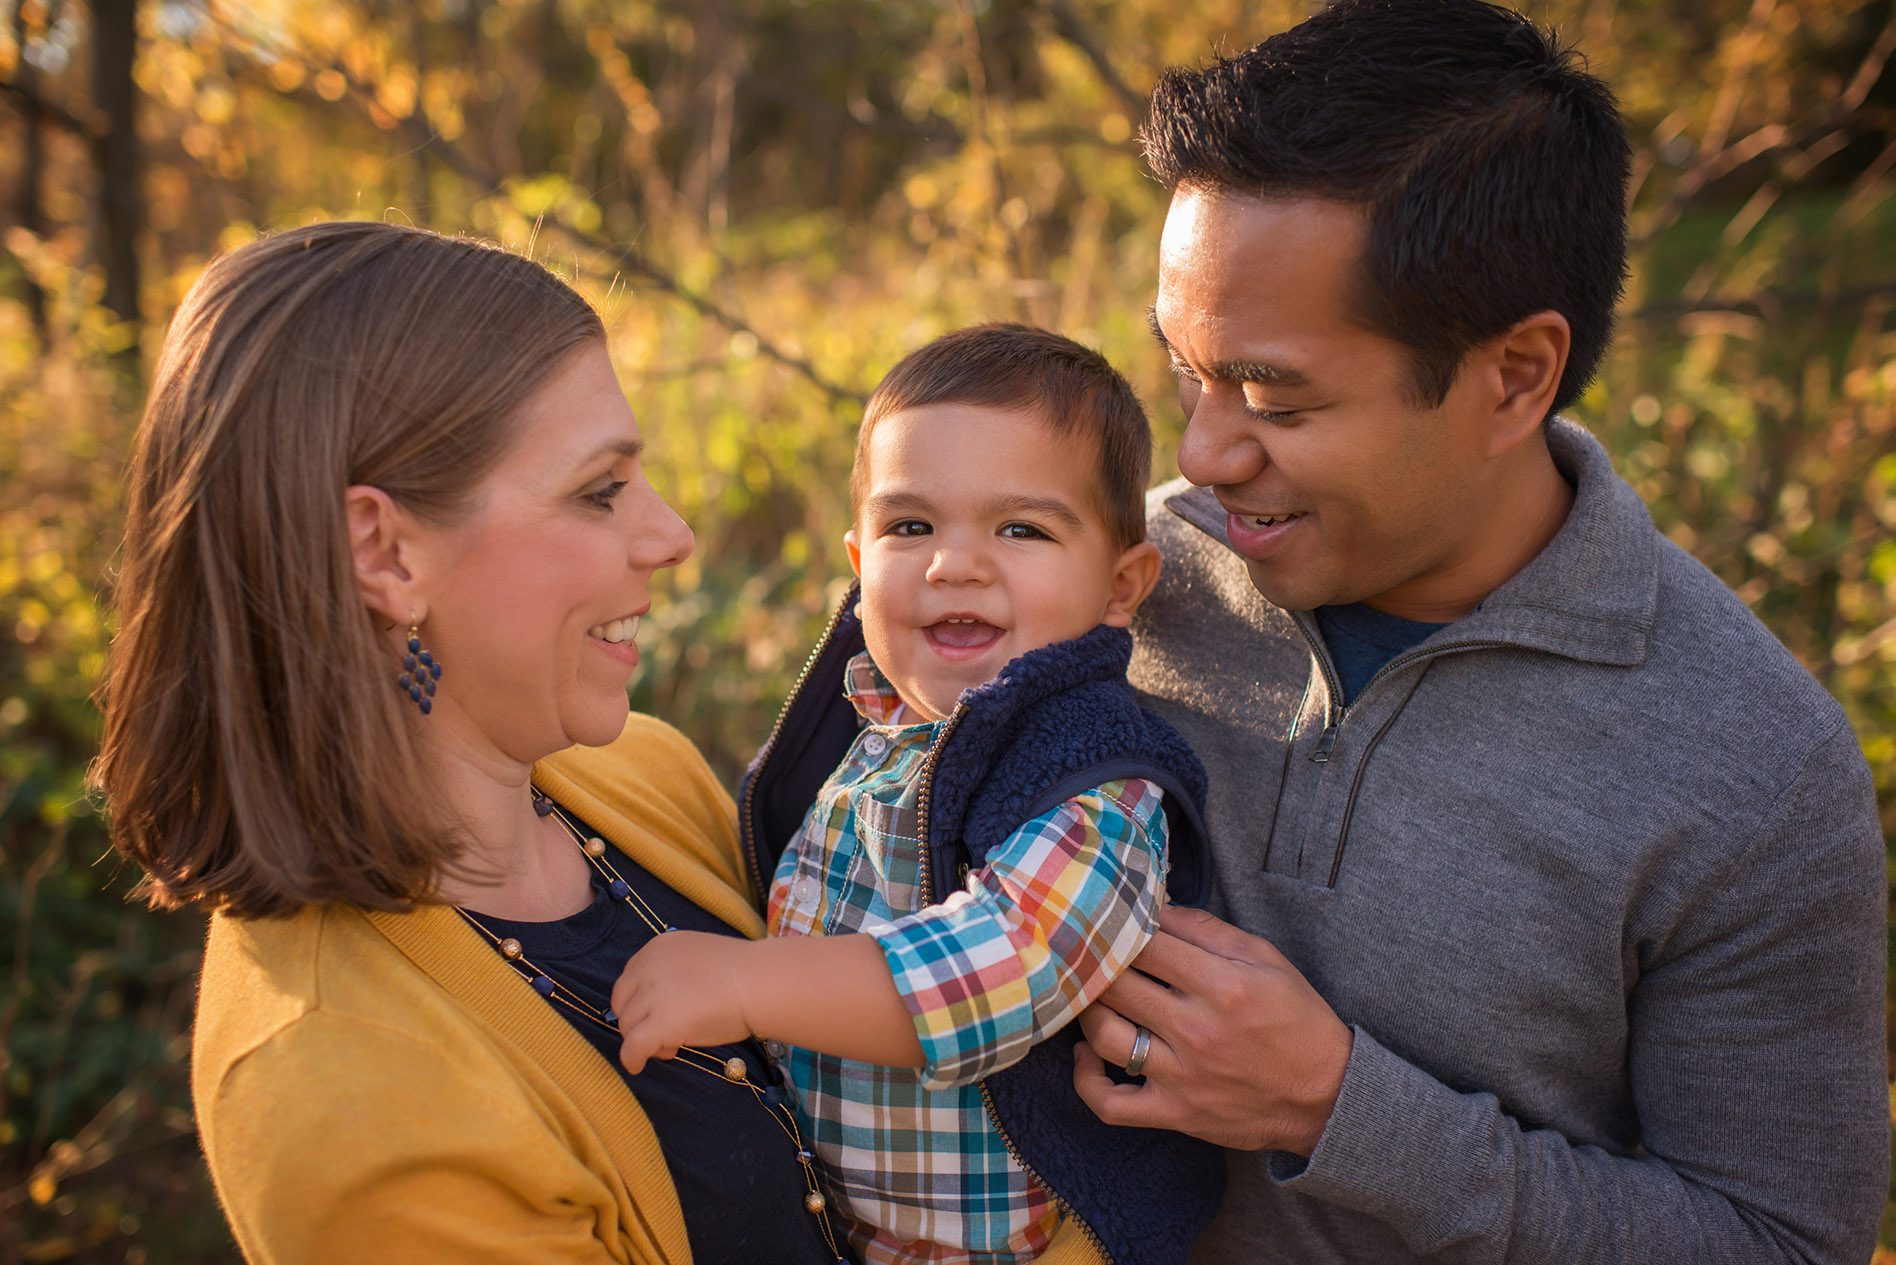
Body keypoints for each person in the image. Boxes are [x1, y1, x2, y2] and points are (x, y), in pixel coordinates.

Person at [1065, 2, 1891, 1262]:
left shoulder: (1755, 768)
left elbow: (1783, 1240)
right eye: (1188, 371)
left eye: (1275, 395)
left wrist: (1340, 1109)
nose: (1202, 453)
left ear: (1515, 375)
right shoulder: (1104, 587)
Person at [90, 220, 857, 1264]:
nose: (672, 534)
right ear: (386, 551)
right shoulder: (347, 1096)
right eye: (600, 490)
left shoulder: (639, 773)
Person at [608, 324, 1224, 1265]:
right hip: (847, 1224)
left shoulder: (1098, 782)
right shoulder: (877, 730)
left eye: (1021, 528)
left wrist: (745, 984)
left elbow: (1003, 966)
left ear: (1119, 584)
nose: (955, 564)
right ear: (858, 566)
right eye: (911, 527)